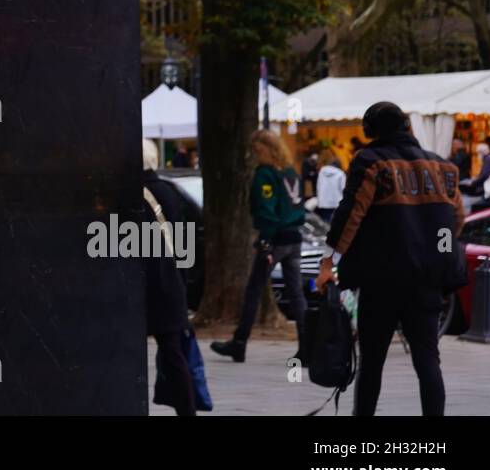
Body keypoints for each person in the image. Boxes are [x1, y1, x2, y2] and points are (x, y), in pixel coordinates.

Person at [315, 102, 465, 417]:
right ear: (406, 127)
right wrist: (432, 247)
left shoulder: (371, 163)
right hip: (427, 279)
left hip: (381, 280)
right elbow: (455, 221)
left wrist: (328, 264)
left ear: (370, 131)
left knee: (372, 360)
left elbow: (349, 215)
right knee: (427, 360)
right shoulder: (444, 168)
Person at [210, 129, 308, 363]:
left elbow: (266, 208)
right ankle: (307, 345)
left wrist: (265, 238)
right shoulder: (290, 172)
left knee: (254, 290)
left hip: (275, 239)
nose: (254, 155)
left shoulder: (265, 174)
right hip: (294, 237)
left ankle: (240, 342)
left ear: (264, 149)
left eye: (256, 150)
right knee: (296, 293)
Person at [142, 139, 195, 416]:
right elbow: (183, 242)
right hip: (170, 283)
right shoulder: (168, 191)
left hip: (145, 287)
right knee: (173, 354)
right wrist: (182, 282)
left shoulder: (132, 194)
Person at [314, 148, 345, 223]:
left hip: (324, 203)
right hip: (337, 203)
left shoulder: (321, 172)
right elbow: (343, 189)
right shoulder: (340, 173)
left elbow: (319, 187)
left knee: (325, 226)